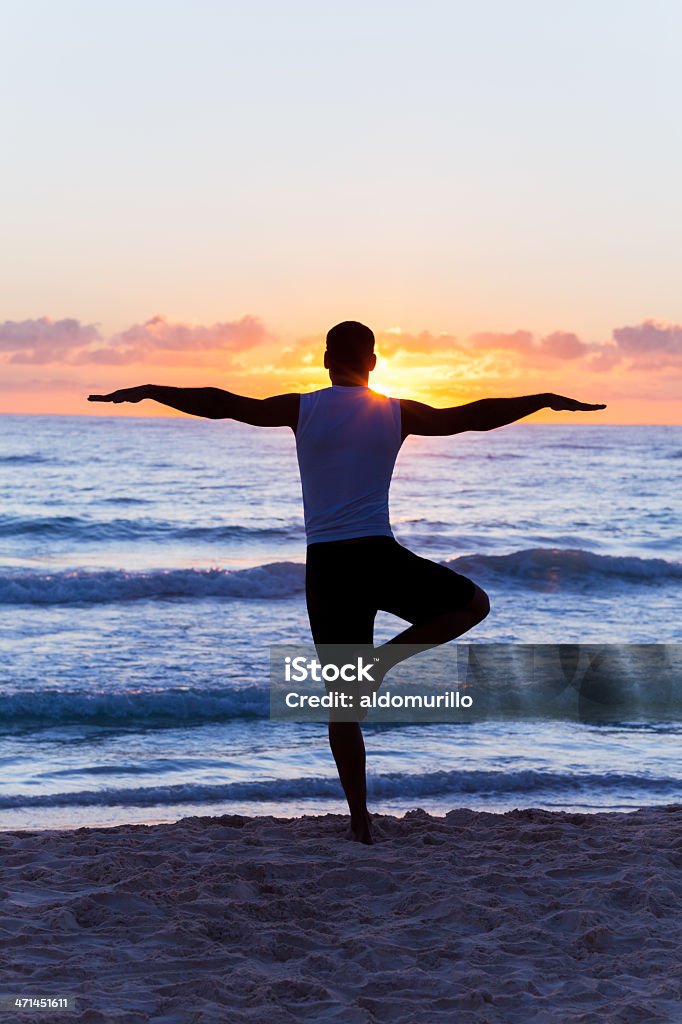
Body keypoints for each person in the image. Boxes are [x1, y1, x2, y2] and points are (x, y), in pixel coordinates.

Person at [88, 320, 606, 844]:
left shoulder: (302, 407)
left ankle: (361, 823)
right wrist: (540, 398)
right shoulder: (395, 412)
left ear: (325, 359)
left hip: (330, 568)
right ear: (374, 362)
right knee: (473, 605)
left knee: (344, 702)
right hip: (378, 557)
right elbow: (470, 417)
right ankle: (384, 666)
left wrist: (154, 391)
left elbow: (224, 402)